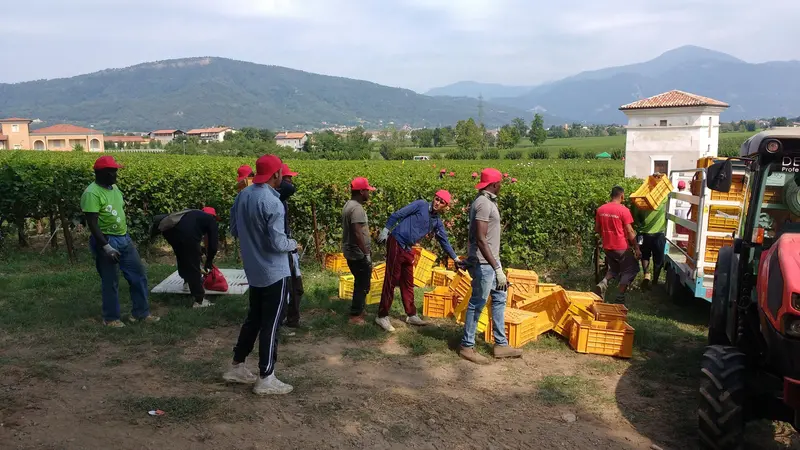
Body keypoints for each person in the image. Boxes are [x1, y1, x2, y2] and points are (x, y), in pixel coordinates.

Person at [223, 154, 297, 395]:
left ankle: (237, 366)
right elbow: (278, 243)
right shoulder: (273, 202)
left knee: (254, 319)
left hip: (254, 270)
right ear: (276, 174)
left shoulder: (243, 195)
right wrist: (293, 244)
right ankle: (266, 377)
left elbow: (235, 230)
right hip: (275, 272)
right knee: (271, 324)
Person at [81, 155, 159, 328]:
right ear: (103, 173)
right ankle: (110, 318)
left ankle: (141, 313)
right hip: (106, 240)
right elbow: (92, 224)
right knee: (110, 281)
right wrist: (106, 247)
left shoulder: (114, 188)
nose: (116, 175)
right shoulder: (92, 193)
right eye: (113, 172)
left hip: (124, 238)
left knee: (138, 274)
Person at [459, 168, 522, 364]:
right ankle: (467, 346)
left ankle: (501, 344)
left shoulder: (488, 202)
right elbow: (480, 238)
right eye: (500, 183)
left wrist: (497, 266)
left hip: (492, 262)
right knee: (477, 303)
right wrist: (496, 268)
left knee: (499, 299)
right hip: (484, 264)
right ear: (494, 184)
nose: (501, 186)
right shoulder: (483, 204)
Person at [375, 190, 462, 332]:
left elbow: (444, 241)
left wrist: (456, 258)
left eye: (441, 202)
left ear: (445, 206)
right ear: (433, 198)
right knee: (391, 280)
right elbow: (399, 214)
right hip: (397, 241)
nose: (437, 203)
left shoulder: (436, 222)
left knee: (408, 282)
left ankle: (411, 315)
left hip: (408, 248)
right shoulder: (421, 205)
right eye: (436, 199)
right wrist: (386, 229)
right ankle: (382, 315)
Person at [156, 206, 220, 308]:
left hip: (169, 232)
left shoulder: (194, 214)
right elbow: (213, 246)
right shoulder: (211, 221)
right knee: (193, 264)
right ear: (214, 217)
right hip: (183, 233)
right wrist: (209, 261)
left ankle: (186, 282)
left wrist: (200, 250)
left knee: (182, 256)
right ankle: (199, 301)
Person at [593, 186, 641, 304]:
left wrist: (606, 236)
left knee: (614, 269)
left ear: (611, 195)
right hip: (621, 247)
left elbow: (597, 229)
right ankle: (620, 296)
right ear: (622, 196)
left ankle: (603, 282)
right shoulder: (623, 210)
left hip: (607, 246)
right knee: (631, 269)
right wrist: (636, 248)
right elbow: (630, 231)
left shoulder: (601, 209)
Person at [341, 177, 376, 325]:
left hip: (351, 250)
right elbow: (357, 232)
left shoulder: (348, 205)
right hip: (357, 252)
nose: (369, 193)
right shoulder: (357, 209)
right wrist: (366, 253)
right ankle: (355, 315)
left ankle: (360, 309)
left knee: (360, 281)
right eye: (367, 191)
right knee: (362, 283)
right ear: (361, 192)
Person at [278, 163, 303, 329]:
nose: (291, 182)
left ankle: (291, 319)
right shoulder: (278, 199)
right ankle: (286, 320)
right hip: (285, 249)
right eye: (288, 178)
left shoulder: (280, 200)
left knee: (295, 287)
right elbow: (289, 188)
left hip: (287, 247)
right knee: (292, 287)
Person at [635, 174, 668, 290]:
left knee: (644, 256)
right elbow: (666, 187)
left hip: (643, 234)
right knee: (658, 259)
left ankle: (646, 275)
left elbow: (636, 218)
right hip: (658, 235)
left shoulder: (640, 202)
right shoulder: (663, 199)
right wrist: (659, 178)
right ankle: (655, 281)